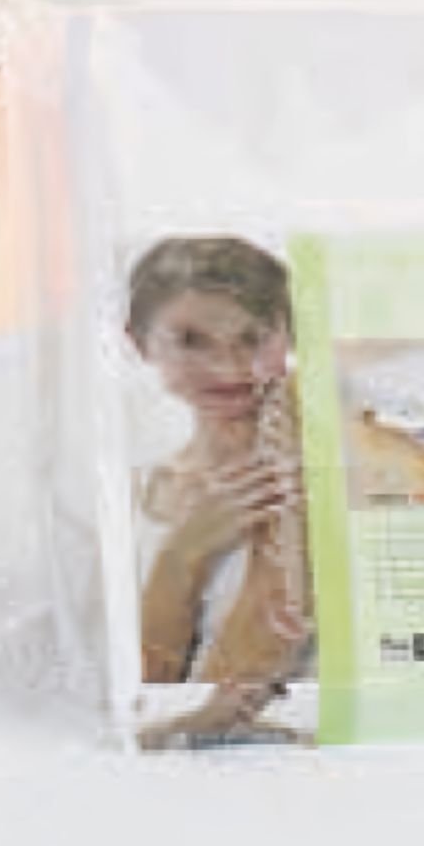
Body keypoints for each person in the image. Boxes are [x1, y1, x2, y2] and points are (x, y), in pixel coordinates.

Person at [124, 237, 315, 749]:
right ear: (140, 343)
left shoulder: (328, 459)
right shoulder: (135, 498)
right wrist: (184, 556)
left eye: (254, 338)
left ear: (292, 335)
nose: (229, 367)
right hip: (193, 768)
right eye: (191, 341)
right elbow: (137, 708)